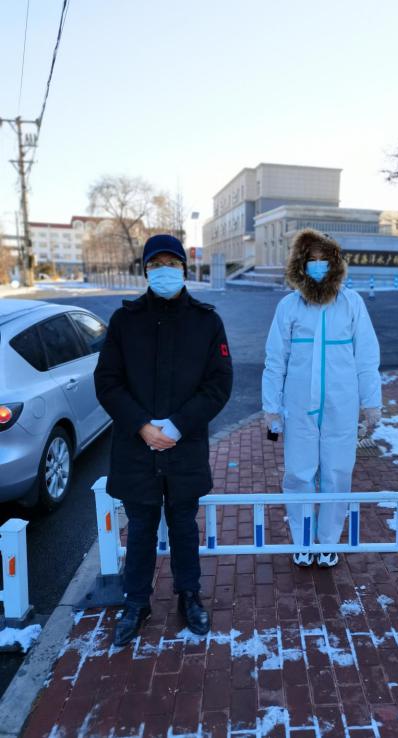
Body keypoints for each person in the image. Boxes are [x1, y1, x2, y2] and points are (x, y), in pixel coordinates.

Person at [94, 234, 232, 646]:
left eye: (172, 264)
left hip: (183, 446)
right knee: (139, 528)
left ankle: (188, 595)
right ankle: (136, 602)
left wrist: (176, 426)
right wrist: (142, 426)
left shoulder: (206, 321)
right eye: (156, 265)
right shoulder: (125, 321)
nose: (164, 271)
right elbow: (107, 381)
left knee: (184, 526)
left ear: (184, 270)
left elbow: (219, 384)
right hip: (136, 447)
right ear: (146, 271)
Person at [262, 229, 381, 568]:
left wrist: (371, 401)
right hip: (299, 406)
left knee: (337, 473)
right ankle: (302, 541)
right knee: (299, 474)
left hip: (341, 406)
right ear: (300, 265)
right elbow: (275, 360)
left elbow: (367, 356)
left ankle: (328, 542)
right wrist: (271, 407)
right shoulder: (289, 306)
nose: (317, 265)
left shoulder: (351, 303)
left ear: (334, 263)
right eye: (310, 260)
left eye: (323, 259)